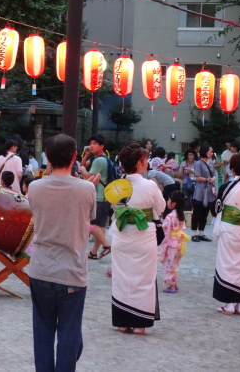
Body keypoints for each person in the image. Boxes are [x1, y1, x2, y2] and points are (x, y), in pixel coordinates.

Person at [27, 134, 96, 371]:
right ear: (75, 157)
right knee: (69, 333)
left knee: (43, 332)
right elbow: (89, 219)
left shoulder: (35, 187)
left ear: (46, 157)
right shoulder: (87, 189)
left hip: (41, 268)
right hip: (72, 270)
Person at [111, 143, 165, 335]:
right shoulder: (150, 185)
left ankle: (122, 322)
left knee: (121, 276)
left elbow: (114, 209)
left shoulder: (116, 186)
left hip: (122, 233)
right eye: (145, 160)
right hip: (143, 235)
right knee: (143, 277)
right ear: (140, 163)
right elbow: (160, 208)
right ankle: (140, 322)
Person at [212, 152, 240, 316]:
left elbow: (217, 207)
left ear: (231, 168)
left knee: (228, 264)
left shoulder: (227, 187)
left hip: (230, 229)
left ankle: (229, 303)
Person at [79, 134, 112, 260]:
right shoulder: (99, 158)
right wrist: (86, 155)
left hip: (99, 196)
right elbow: (83, 164)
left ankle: (107, 244)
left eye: (95, 144)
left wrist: (82, 170)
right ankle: (93, 252)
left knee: (88, 223)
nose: (91, 146)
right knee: (100, 226)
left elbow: (89, 177)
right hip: (105, 197)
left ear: (102, 146)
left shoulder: (98, 161)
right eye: (90, 143)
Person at [158, 191, 189, 293]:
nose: (167, 202)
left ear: (174, 203)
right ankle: (174, 283)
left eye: (169, 200)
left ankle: (172, 286)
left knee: (169, 264)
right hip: (179, 242)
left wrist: (163, 246)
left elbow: (166, 231)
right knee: (175, 264)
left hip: (172, 243)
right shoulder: (180, 216)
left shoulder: (170, 216)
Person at [191, 144, 217, 242]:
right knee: (197, 212)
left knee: (205, 213)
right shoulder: (198, 163)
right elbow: (197, 177)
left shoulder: (211, 163)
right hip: (200, 191)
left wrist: (212, 179)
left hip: (209, 190)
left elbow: (214, 175)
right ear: (205, 152)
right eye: (210, 151)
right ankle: (194, 234)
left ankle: (201, 233)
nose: (212, 153)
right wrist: (207, 179)